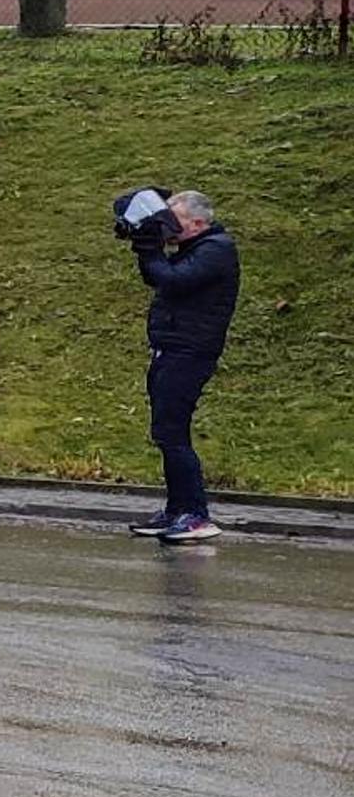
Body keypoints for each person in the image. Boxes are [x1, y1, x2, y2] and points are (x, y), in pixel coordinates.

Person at [132, 189, 239, 544]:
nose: (167, 227)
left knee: (173, 433)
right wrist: (145, 245)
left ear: (196, 222)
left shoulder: (216, 250)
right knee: (166, 432)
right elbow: (157, 276)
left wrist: (150, 247)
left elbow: (172, 280)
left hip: (190, 352)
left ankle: (196, 515)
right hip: (172, 348)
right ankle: (177, 509)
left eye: (173, 221)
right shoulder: (194, 249)